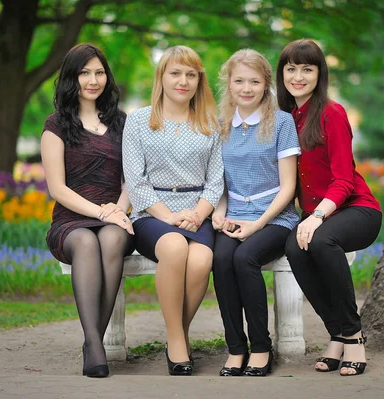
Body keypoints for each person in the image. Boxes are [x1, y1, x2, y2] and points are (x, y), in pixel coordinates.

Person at [277, 39, 382, 376]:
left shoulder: (331, 113)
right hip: (317, 216)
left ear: (319, 74)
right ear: (281, 74)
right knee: (294, 246)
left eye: (307, 68)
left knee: (320, 240)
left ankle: (353, 335)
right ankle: (336, 332)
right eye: (291, 68)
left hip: (356, 210)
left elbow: (344, 179)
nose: (298, 76)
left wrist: (317, 216)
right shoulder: (284, 118)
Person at [122, 45, 223, 376]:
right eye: (176, 73)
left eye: (191, 75)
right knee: (176, 246)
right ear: (161, 77)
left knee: (202, 259)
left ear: (198, 81)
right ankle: (177, 340)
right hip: (153, 214)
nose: (183, 81)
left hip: (198, 210)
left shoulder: (211, 123)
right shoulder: (138, 120)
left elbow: (216, 181)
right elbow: (135, 182)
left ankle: (176, 332)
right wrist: (168, 217)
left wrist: (197, 214)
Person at [41, 43, 134, 378]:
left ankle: (91, 343)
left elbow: (131, 182)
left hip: (115, 215)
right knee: (85, 241)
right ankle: (94, 342)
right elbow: (58, 189)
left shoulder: (123, 123)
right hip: (71, 221)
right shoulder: (56, 125)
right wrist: (101, 213)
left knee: (110, 239)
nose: (93, 80)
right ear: (71, 78)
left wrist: (118, 211)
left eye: (99, 72)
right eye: (85, 73)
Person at [212, 49, 300, 377]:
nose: (246, 88)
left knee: (244, 258)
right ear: (229, 84)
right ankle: (236, 347)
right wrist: (219, 214)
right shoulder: (221, 126)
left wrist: (257, 224)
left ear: (266, 85)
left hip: (275, 218)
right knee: (220, 260)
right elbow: (220, 184)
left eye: (254, 81)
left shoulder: (282, 123)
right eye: (239, 81)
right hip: (233, 214)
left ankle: (261, 347)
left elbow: (288, 187)